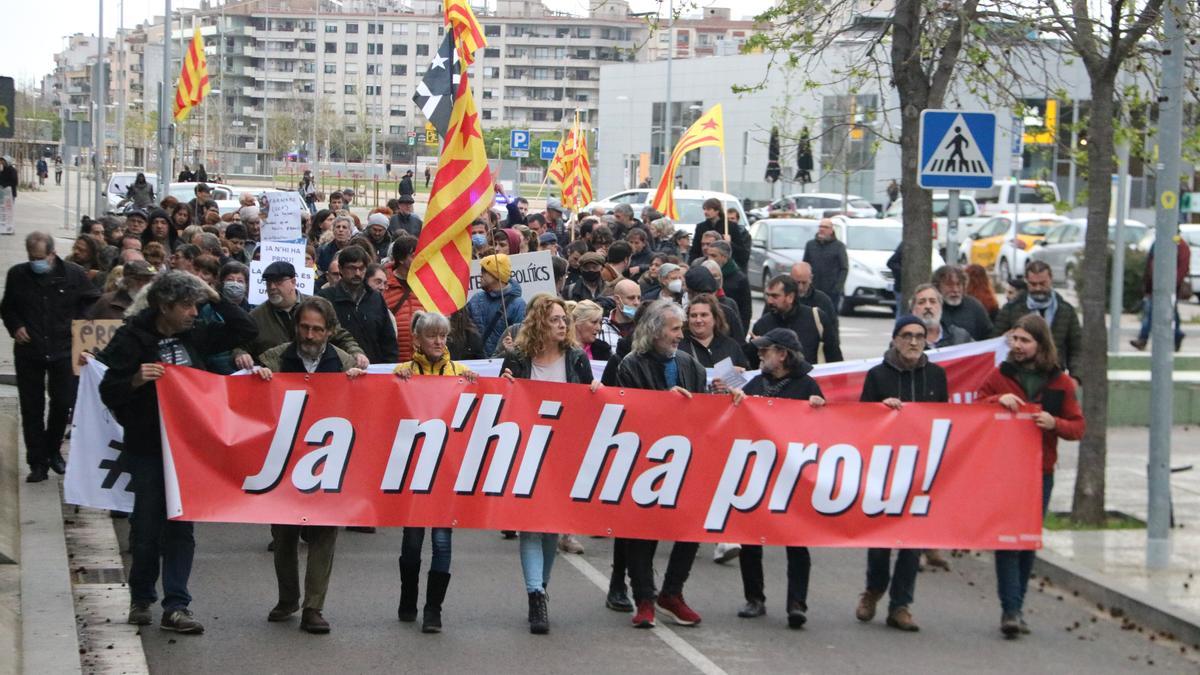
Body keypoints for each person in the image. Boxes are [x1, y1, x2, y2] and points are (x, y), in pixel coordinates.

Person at [99, 271, 257, 634]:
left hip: (189, 449)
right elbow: (109, 390)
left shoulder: (195, 335)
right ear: (163, 307)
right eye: (186, 306)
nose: (193, 312)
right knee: (146, 526)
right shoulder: (131, 338)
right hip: (148, 446)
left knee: (181, 526)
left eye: (195, 306)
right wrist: (136, 380)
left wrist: (215, 297)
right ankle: (141, 597)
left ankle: (176, 605)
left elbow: (245, 330)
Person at [255, 296, 363, 635]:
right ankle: (288, 598)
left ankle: (313, 607)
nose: (310, 335)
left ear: (330, 331)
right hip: (284, 462)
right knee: (283, 535)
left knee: (323, 534)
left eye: (318, 329)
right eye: (305, 328)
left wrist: (362, 384)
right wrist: (255, 378)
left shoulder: (344, 364)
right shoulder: (274, 359)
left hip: (328, 462)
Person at [978, 314, 1084, 637]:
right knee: (1007, 540)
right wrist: (997, 400)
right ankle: (1010, 609)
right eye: (1015, 340)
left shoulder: (1060, 383)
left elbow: (1078, 426)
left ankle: (1017, 606)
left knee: (1026, 541)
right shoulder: (1000, 375)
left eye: (1025, 341)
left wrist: (1056, 424)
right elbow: (975, 407)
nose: (1018, 346)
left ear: (1041, 344)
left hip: (1041, 472)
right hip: (1006, 471)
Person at [501, 294, 599, 634]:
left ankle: (540, 587)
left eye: (564, 319)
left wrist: (595, 390)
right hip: (526, 451)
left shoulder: (575, 358)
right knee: (531, 524)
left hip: (563, 452)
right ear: (540, 322)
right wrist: (506, 386)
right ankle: (535, 595)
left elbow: (588, 402)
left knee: (551, 525)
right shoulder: (517, 357)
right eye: (556, 319)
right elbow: (501, 404)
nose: (563, 324)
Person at [616, 299, 709, 628]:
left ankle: (672, 592)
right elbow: (629, 413)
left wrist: (731, 403)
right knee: (641, 532)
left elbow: (707, 408)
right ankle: (645, 599)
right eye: (674, 329)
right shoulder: (630, 365)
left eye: (680, 329)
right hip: (644, 462)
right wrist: (664, 403)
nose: (680, 335)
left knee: (689, 528)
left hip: (685, 461)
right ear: (655, 332)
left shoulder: (690, 364)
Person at [855, 314, 949, 633]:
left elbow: (945, 421)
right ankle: (874, 588)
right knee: (880, 539)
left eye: (919, 336)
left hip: (921, 471)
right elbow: (860, 421)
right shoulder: (877, 376)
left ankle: (901, 605)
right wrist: (882, 410)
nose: (913, 341)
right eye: (907, 335)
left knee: (913, 541)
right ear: (894, 339)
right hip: (885, 470)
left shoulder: (937, 376)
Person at [732, 328, 823, 628]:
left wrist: (818, 409)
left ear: (782, 354)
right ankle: (754, 598)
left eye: (765, 350)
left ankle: (797, 602)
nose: (759, 354)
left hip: (793, 475)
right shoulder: (756, 383)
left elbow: (824, 429)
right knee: (750, 538)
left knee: (796, 539)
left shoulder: (806, 386)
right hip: (758, 472)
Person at [393, 311, 477, 632]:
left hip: (447, 473)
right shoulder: (403, 373)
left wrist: (495, 381)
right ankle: (408, 595)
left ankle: (433, 610)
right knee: (412, 543)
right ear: (417, 339)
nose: (439, 342)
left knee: (442, 543)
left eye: (443, 336)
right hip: (413, 473)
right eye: (432, 336)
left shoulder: (461, 373)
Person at [2, 232, 101, 482]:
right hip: (30, 350)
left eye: (40, 258)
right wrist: (16, 326)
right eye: (32, 258)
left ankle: (53, 449)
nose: (36, 262)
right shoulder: (18, 275)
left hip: (63, 349)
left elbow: (91, 302)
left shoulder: (73, 275)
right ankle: (37, 461)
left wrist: (80, 329)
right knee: (32, 406)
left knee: (62, 401)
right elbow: (8, 308)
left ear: (52, 254)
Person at [232, 261, 365, 370]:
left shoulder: (318, 307)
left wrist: (356, 353)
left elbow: (340, 335)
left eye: (278, 282)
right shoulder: (256, 316)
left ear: (293, 282)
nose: (272, 287)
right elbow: (241, 345)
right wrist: (241, 354)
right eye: (268, 283)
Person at [992, 261, 1082, 375]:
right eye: (1033, 284)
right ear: (1026, 282)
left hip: (1054, 376)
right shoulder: (1011, 309)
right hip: (1018, 376)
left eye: (1042, 283)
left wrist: (1076, 377)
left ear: (1051, 279)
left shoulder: (1066, 311)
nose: (1038, 288)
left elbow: (1077, 349)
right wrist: (1006, 339)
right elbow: (994, 342)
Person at [318, 246, 399, 365]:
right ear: (340, 269)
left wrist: (388, 367)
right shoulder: (326, 298)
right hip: (338, 370)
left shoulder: (376, 299)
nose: (357, 273)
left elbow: (388, 340)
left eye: (361, 269)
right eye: (352, 268)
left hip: (373, 371)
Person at [750, 275, 840, 366]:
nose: (769, 301)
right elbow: (751, 365)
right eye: (768, 295)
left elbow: (834, 356)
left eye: (775, 296)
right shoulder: (762, 325)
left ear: (790, 297)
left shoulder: (816, 318)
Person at [1131, 230, 1190, 352]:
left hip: (1170, 287)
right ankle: (1176, 335)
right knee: (1164, 311)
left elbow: (1183, 265)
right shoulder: (1159, 243)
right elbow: (1150, 264)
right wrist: (1148, 285)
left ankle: (1144, 338)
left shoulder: (1179, 245)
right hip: (1155, 286)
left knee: (1156, 311)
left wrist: (1173, 282)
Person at [466, 253, 526, 355]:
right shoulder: (476, 298)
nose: (480, 275)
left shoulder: (518, 305)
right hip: (475, 365)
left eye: (484, 271)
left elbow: (521, 341)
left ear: (496, 274)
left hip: (503, 366)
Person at [679, 293, 747, 369]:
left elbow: (748, 374)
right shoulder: (678, 344)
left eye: (704, 315)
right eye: (693, 315)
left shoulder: (731, 346)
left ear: (715, 318)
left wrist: (739, 373)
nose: (698, 320)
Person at [934, 265, 993, 340]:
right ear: (938, 286)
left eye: (958, 284)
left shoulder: (974, 307)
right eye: (949, 285)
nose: (955, 289)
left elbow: (989, 335)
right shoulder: (931, 306)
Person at [802, 218, 848, 310]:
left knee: (829, 318)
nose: (822, 229)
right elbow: (805, 265)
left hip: (831, 291)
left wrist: (837, 288)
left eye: (825, 227)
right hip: (813, 290)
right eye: (820, 226)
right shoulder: (810, 245)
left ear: (831, 230)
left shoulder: (839, 246)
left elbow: (844, 268)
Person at [87, 260, 156, 320]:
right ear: (127, 281)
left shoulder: (155, 304)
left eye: (149, 280)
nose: (144, 285)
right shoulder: (107, 301)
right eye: (139, 279)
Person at [910, 284, 972, 348]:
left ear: (941, 307)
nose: (928, 306)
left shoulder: (960, 337)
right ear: (913, 310)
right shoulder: (906, 342)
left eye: (933, 301)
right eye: (921, 302)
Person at [708, 240, 752, 331]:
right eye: (708, 255)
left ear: (724, 257)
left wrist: (741, 334)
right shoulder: (705, 274)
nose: (709, 259)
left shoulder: (740, 279)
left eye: (713, 256)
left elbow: (745, 311)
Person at [789, 262, 839, 331]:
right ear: (790, 278)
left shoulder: (822, 300)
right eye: (797, 282)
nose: (800, 287)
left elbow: (832, 328)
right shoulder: (782, 298)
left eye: (804, 283)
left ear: (811, 279)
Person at [598, 279, 641, 349]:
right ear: (617, 299)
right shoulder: (600, 327)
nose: (637, 303)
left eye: (639, 298)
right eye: (631, 298)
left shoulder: (644, 327)